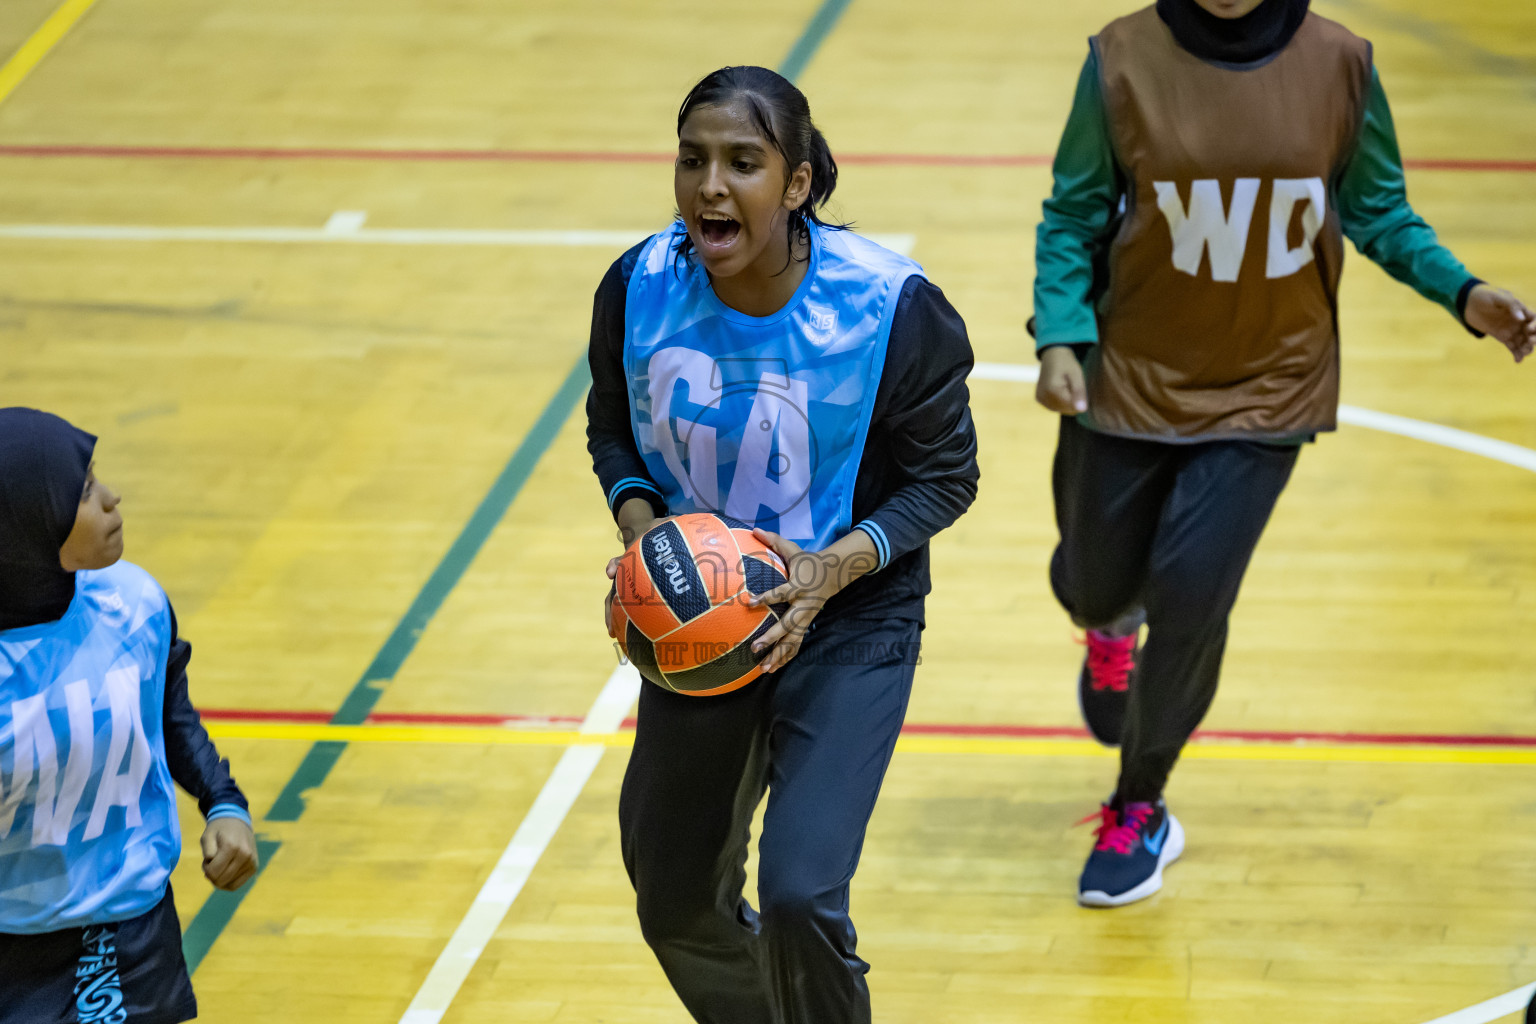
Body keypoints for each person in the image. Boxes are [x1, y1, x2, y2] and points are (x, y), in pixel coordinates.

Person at [1031, 0, 1536, 909]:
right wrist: (1061, 336)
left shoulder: (1341, 63)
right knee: (1097, 583)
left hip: (1271, 384)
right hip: (1133, 375)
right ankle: (1108, 628)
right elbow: (1071, 217)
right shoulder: (1120, 59)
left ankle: (1140, 806)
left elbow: (1377, 210)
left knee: (1191, 599)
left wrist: (1461, 292)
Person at [585, 65, 979, 1024]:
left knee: (803, 896)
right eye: (693, 161)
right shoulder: (639, 286)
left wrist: (830, 567)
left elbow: (946, 478)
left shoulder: (892, 308)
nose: (710, 186)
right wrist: (647, 540)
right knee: (672, 894)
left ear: (797, 183)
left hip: (849, 616)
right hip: (706, 623)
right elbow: (613, 430)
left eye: (743, 163)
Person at [0, 408, 259, 1023]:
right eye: (85, 492)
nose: (113, 500)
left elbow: (168, 714)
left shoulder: (132, 601)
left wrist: (223, 801)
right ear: (30, 525)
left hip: (123, 933)